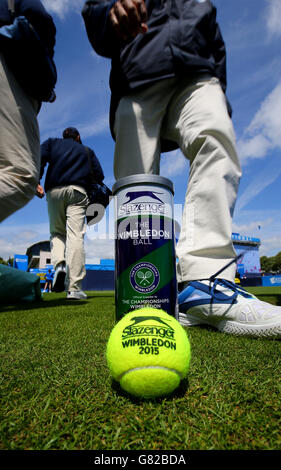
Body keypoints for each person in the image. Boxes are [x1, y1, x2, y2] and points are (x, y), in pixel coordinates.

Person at [82, 0, 281, 338]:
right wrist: (110, 14)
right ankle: (139, 291)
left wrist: (220, 89)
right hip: (138, 75)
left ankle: (205, 283)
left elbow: (216, 44)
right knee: (135, 188)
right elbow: (96, 14)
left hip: (198, 77)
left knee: (217, 141)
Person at [0, 0, 56, 222]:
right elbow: (37, 14)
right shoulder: (83, 153)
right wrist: (46, 74)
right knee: (19, 175)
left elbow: (45, 152)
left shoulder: (53, 145)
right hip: (8, 53)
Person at [37, 127, 105, 300]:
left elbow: (39, 157)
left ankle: (59, 264)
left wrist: (36, 181)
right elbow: (100, 175)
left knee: (57, 233)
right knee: (75, 236)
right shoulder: (87, 151)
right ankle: (74, 288)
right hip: (78, 191)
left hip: (53, 190)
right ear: (78, 137)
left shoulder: (52, 143)